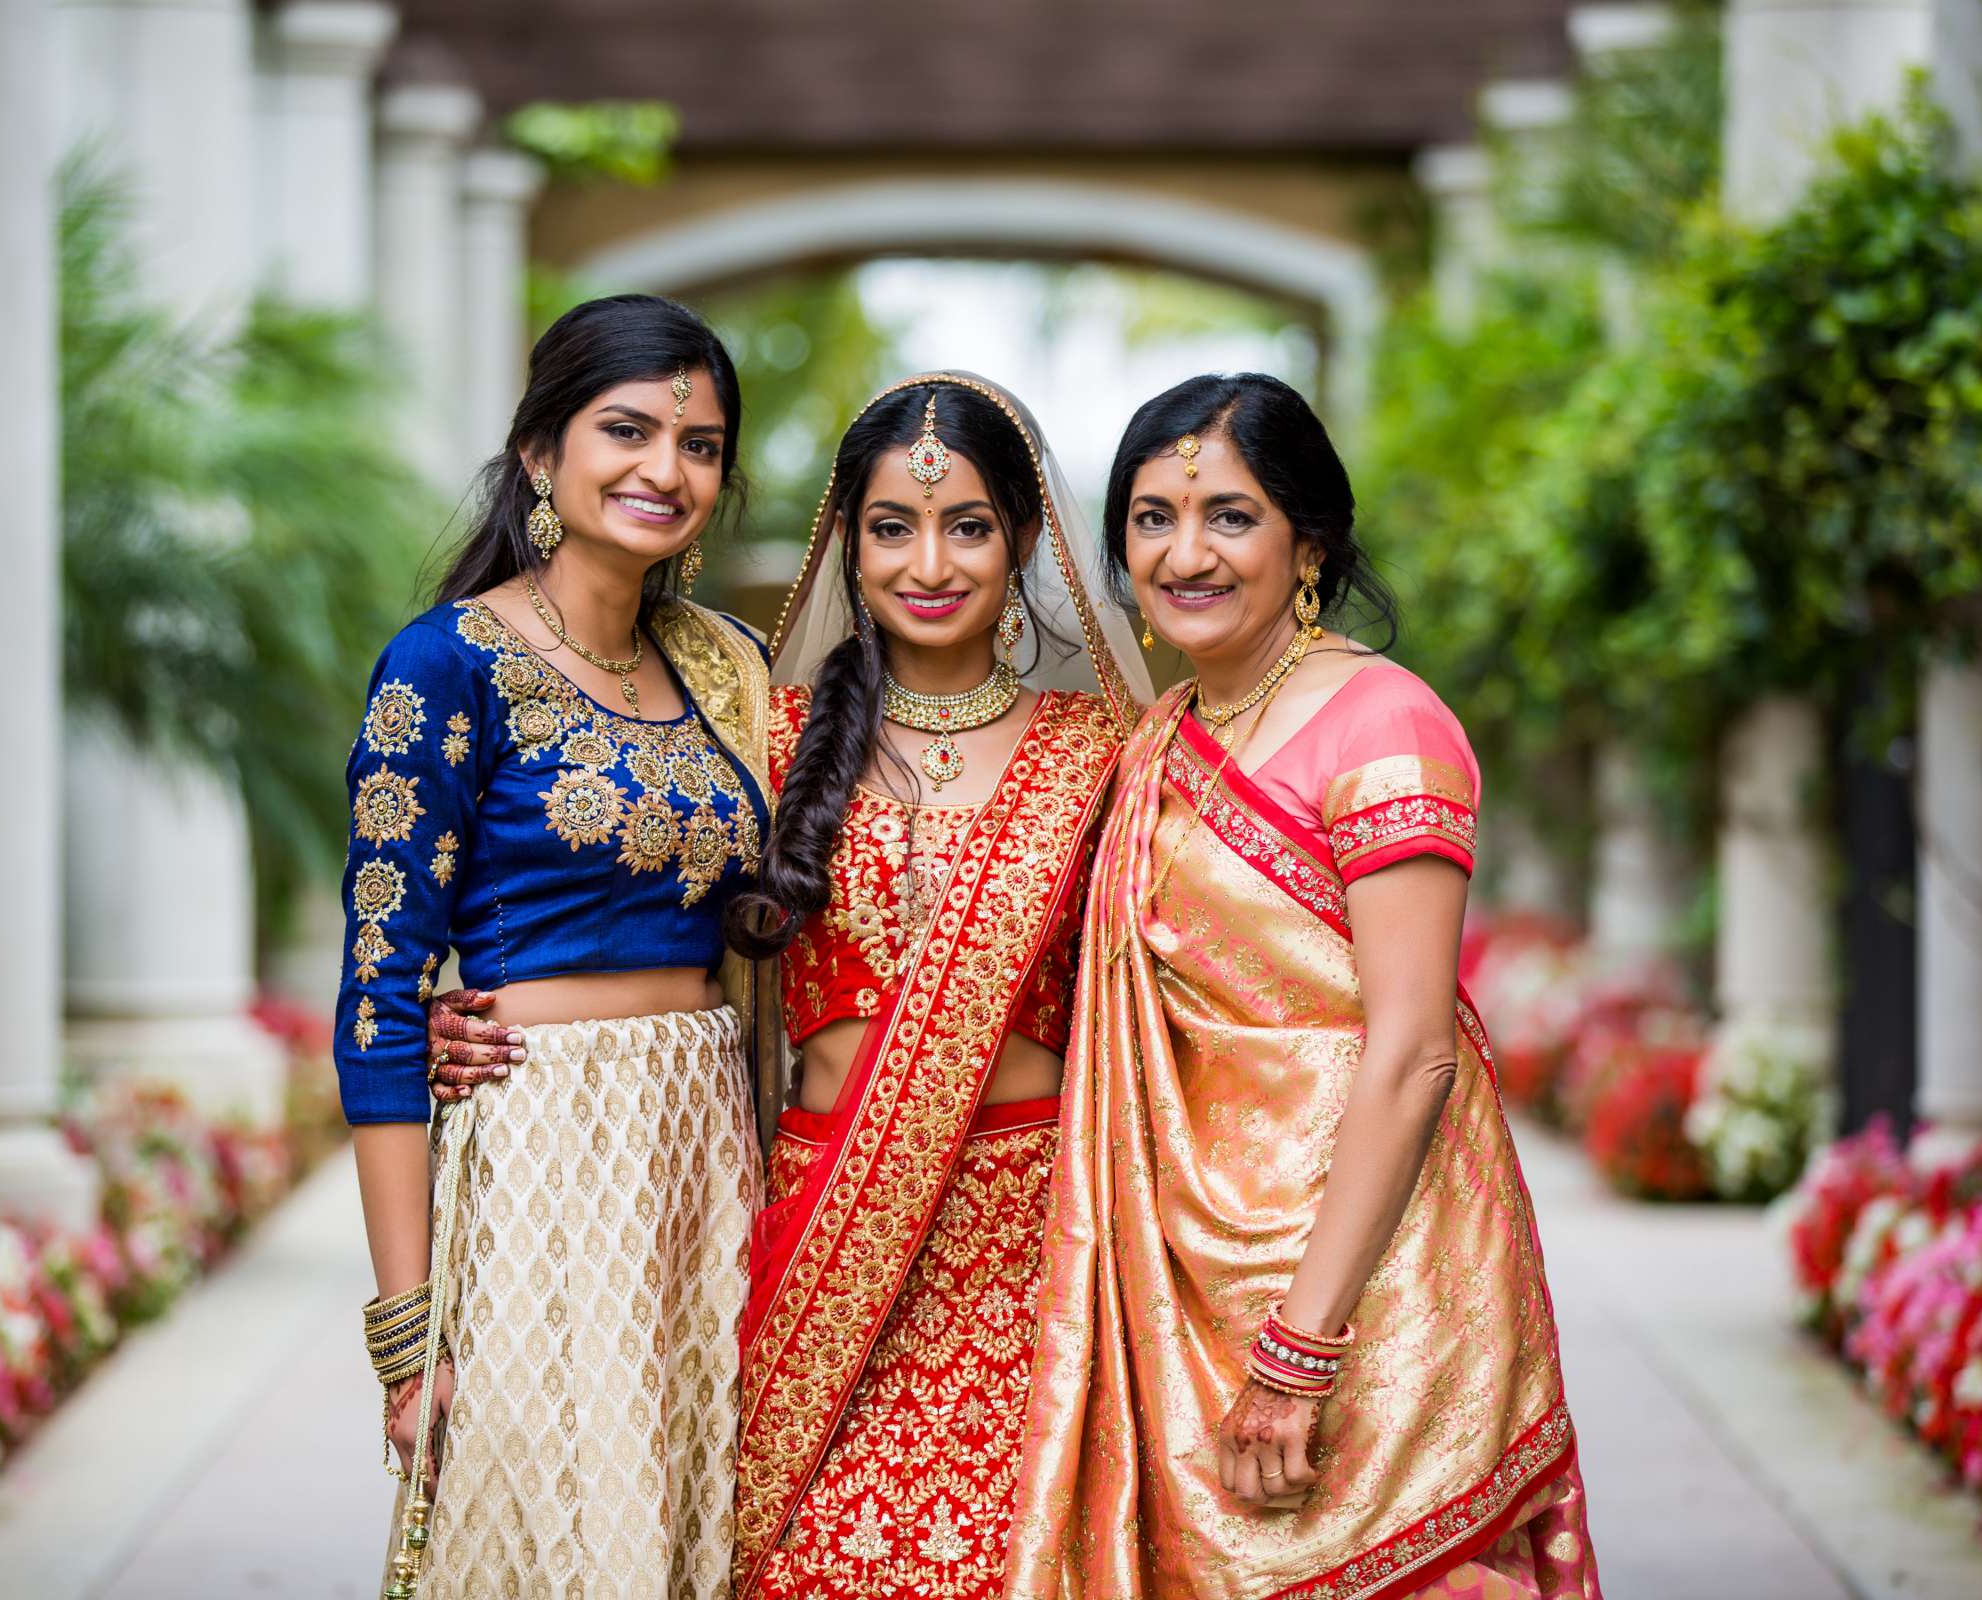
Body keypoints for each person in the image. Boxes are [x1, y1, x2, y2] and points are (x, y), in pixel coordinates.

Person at [435, 372, 1149, 1599]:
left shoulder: (1110, 752)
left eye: (967, 525)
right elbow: (621, 910)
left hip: (1033, 1259)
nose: (929, 560)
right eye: (892, 526)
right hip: (817, 1236)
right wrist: (489, 1011)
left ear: (1024, 542)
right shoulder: (763, 737)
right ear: (848, 543)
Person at [1006, 374, 1601, 1600]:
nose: (1186, 553)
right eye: (1152, 517)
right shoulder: (1158, 737)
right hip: (1189, 1276)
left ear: (1307, 545)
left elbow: (1414, 1049)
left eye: (1231, 515)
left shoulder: (1385, 720)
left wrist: (1302, 1342)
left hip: (1368, 1272)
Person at [334, 293, 771, 1600]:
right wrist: (408, 1340)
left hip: (709, 1151)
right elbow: (378, 1001)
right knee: (560, 1538)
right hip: (541, 1150)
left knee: (702, 1530)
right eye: (626, 430)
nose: (665, 470)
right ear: (540, 454)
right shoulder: (444, 668)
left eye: (699, 445)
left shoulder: (724, 669)